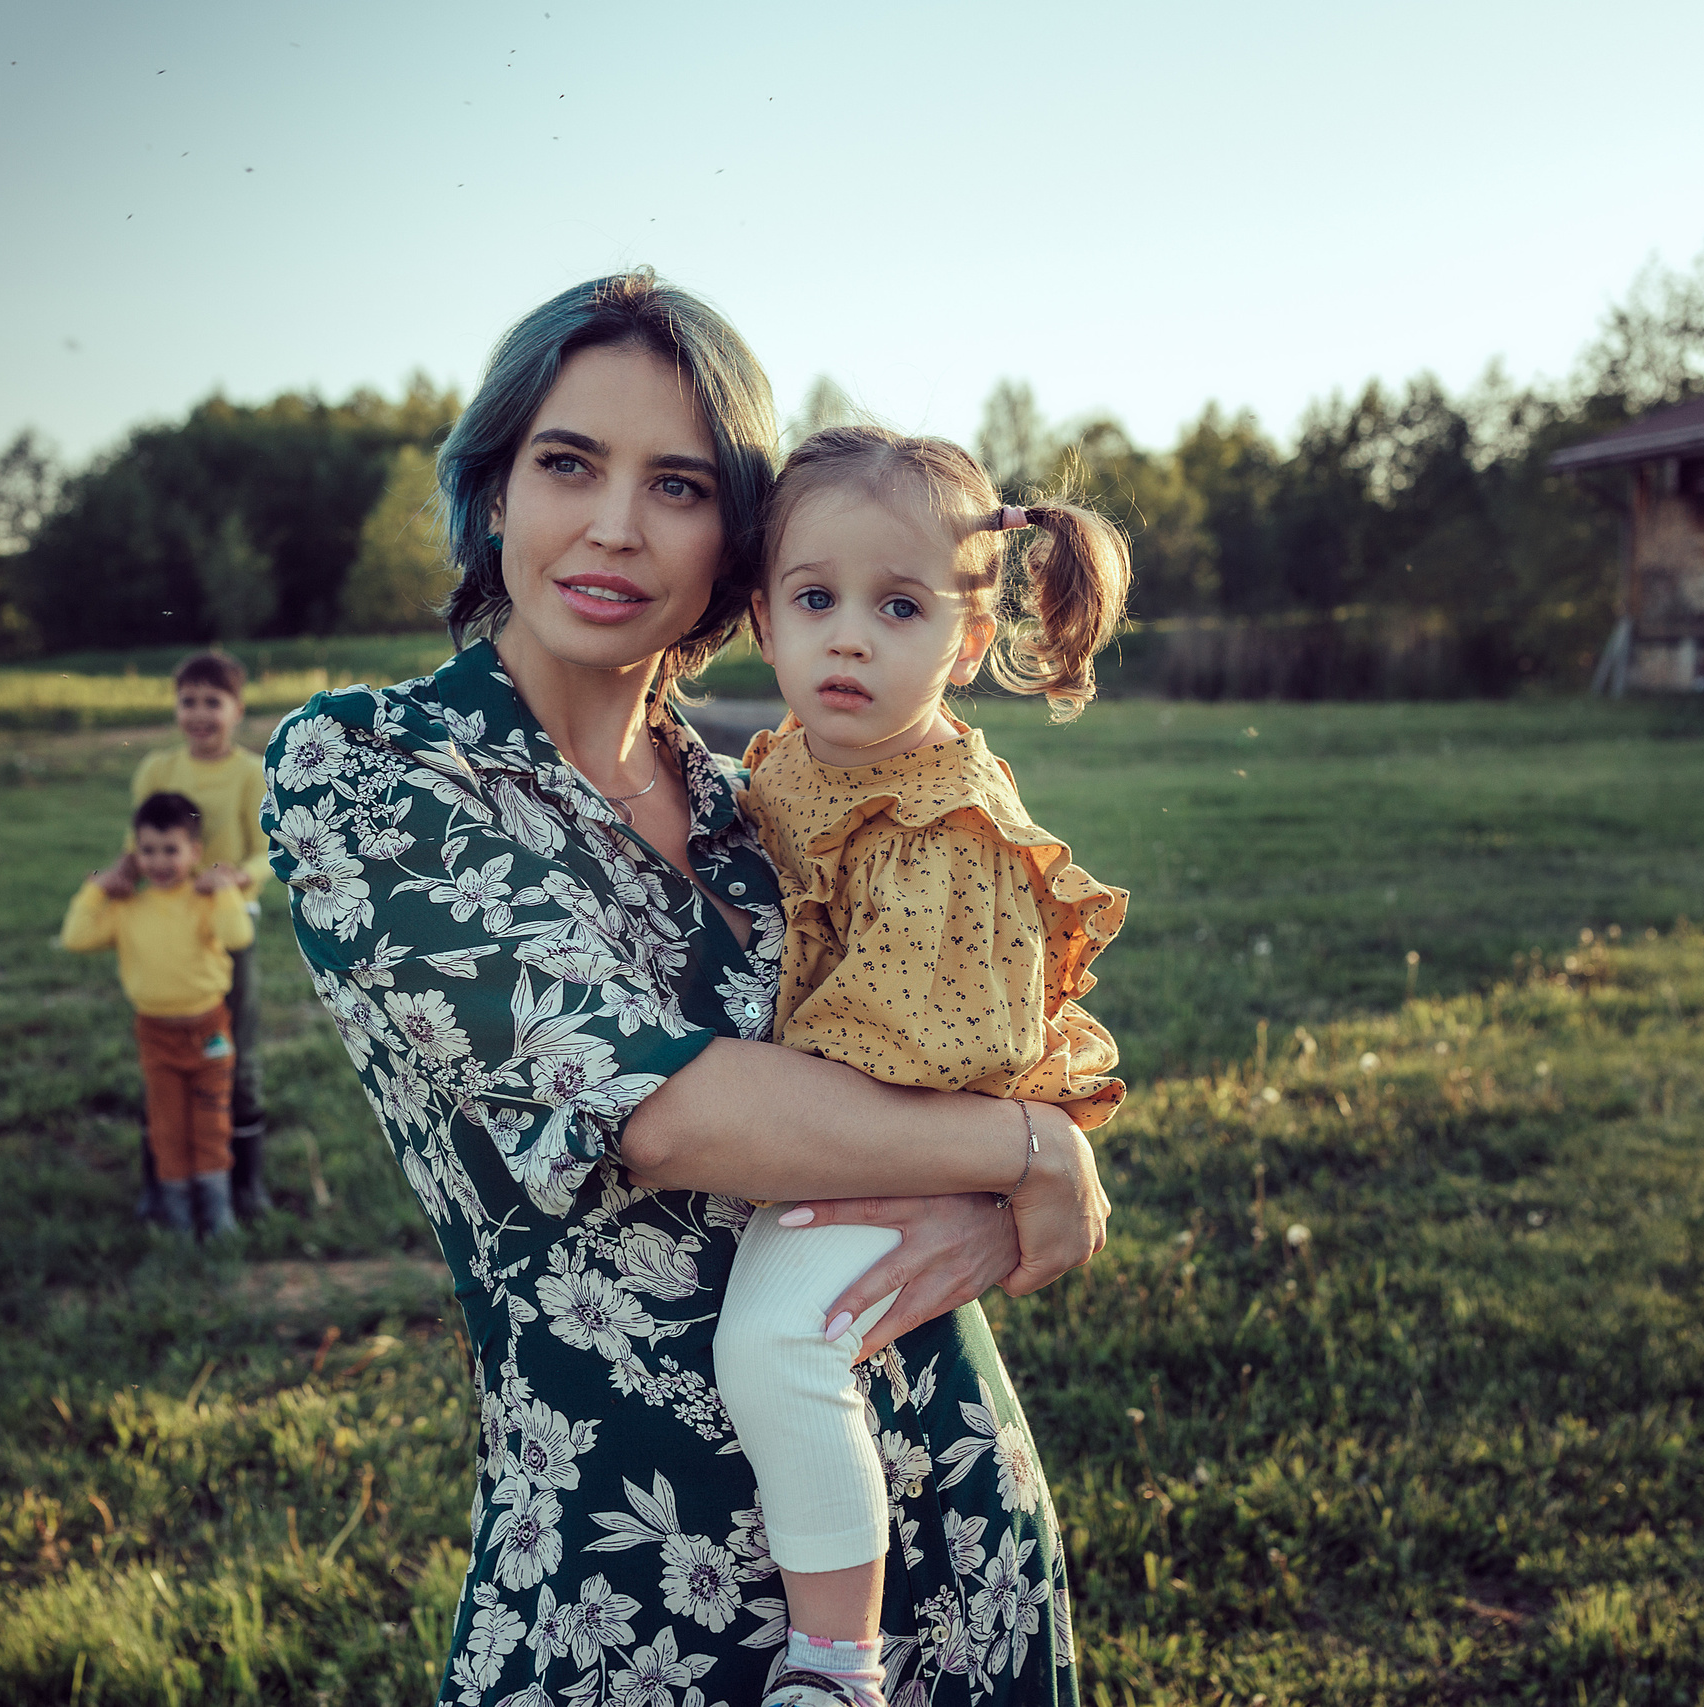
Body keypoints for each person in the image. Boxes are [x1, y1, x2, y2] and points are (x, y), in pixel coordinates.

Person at [260, 271, 1108, 1707]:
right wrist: (1037, 1155)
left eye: (679, 483)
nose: (614, 525)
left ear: (739, 537)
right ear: (493, 488)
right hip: (634, 1572)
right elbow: (657, 1107)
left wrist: (1014, 1154)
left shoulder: (764, 796)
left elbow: (958, 1013)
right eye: (568, 463)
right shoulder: (373, 769)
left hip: (943, 1501)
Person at [717, 426, 1131, 1703]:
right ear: (761, 616)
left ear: (962, 640)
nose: (849, 638)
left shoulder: (934, 821)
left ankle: (835, 1663)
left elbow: (899, 1053)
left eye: (898, 607)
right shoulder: (791, 756)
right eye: (815, 599)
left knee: (778, 1338)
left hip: (906, 1119)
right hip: (874, 1115)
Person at [100, 650, 278, 1218]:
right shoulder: (156, 769)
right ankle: (161, 1181)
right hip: (167, 928)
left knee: (233, 1053)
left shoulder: (251, 772)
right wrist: (123, 873)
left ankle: (244, 1183)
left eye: (212, 702)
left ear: (237, 710)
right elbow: (140, 842)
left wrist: (240, 875)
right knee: (163, 1054)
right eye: (188, 701)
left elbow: (270, 850)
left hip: (225, 926)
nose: (200, 714)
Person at [65, 790, 257, 1238]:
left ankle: (217, 1212)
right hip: (156, 1035)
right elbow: (76, 937)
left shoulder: (206, 900)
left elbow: (238, 935)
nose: (160, 861)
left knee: (210, 1123)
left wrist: (226, 889)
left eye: (171, 850)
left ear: (194, 852)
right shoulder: (128, 906)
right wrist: (97, 887)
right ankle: (176, 1215)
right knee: (167, 1125)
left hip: (208, 1029)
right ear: (133, 854)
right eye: (147, 851)